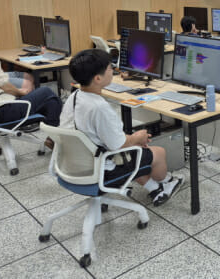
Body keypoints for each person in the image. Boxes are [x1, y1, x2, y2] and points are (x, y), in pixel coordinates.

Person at [61, 49, 183, 206]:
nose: (113, 70)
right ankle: (167, 181)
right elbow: (118, 145)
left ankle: (154, 188)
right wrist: (137, 138)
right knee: (158, 153)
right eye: (110, 68)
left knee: (133, 150)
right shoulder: (99, 108)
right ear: (98, 78)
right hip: (100, 171)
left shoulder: (75, 96)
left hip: (71, 165)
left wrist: (132, 140)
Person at [0, 29, 62, 137]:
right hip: (4, 111)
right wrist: (22, 93)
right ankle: (53, 137)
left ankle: (51, 135)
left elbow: (3, 87)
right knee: (47, 92)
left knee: (51, 102)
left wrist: (19, 92)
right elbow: (7, 88)